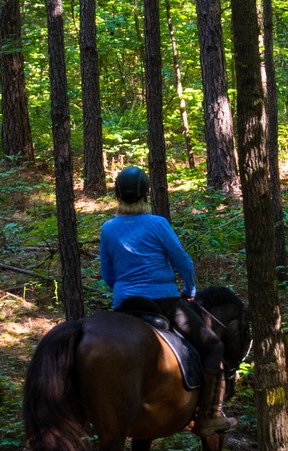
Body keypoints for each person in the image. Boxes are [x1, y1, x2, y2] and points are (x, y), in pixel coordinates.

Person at [99, 166, 235, 435]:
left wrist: (124, 290)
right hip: (163, 302)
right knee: (213, 346)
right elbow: (182, 260)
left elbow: (107, 273)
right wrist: (190, 288)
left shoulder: (108, 228)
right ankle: (209, 414)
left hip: (124, 305)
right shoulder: (157, 224)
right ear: (146, 193)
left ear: (117, 195)